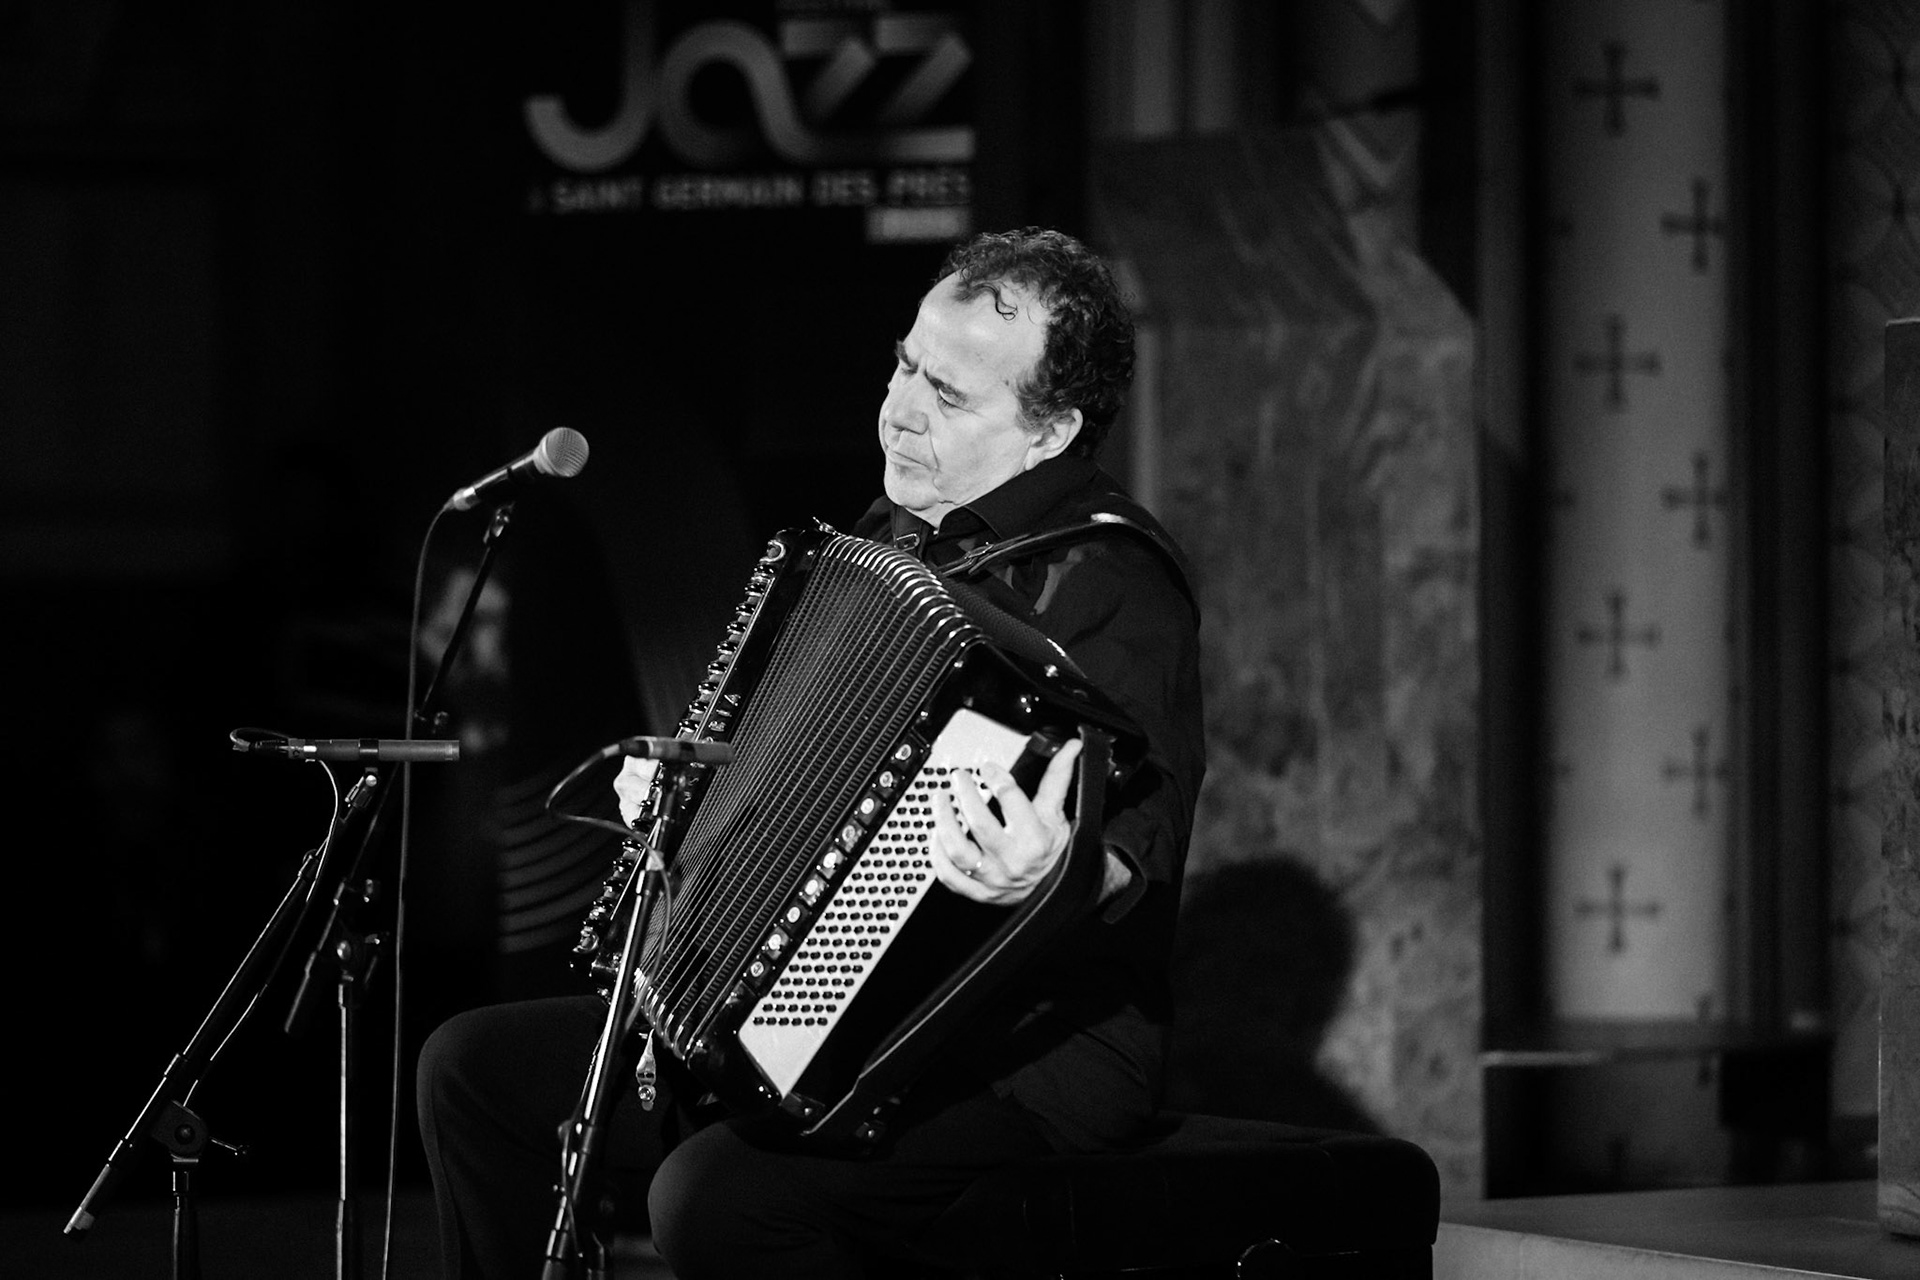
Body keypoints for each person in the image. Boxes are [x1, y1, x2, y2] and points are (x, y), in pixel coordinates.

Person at [415, 226, 1206, 1279]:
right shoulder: (881, 539)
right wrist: (687, 799)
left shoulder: (1113, 581)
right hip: (794, 1022)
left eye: (952, 396)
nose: (904, 409)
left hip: (1016, 1062)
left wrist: (1059, 867)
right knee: (471, 1070)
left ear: (1050, 429)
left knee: (713, 1198)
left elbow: (1134, 849)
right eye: (906, 364)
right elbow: (788, 763)